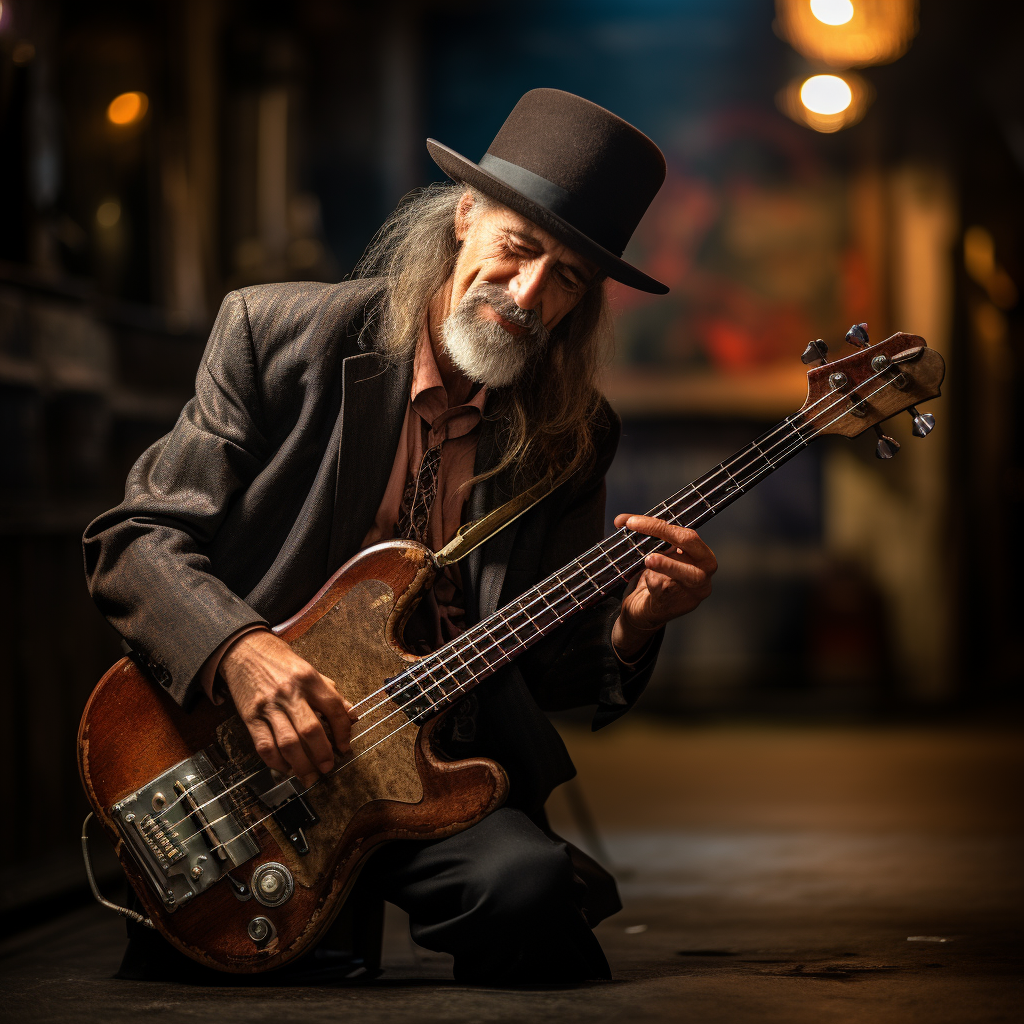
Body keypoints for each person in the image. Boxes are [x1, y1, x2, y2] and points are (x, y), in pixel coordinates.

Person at [83, 88, 718, 985]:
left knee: (535, 903)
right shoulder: (276, 336)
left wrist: (635, 622)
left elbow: (553, 667)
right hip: (251, 772)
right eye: (518, 248)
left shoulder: (574, 432)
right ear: (465, 217)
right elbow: (136, 538)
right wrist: (242, 652)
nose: (530, 294)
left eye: (569, 277)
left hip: (441, 764)